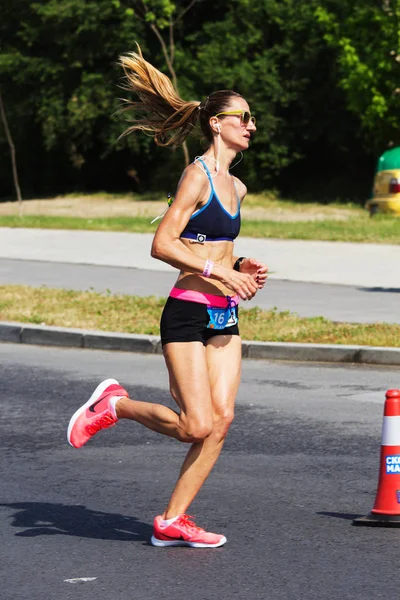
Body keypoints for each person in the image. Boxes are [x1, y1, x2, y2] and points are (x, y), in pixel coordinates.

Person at [67, 44, 268, 549]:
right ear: (217, 124)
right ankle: (116, 404)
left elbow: (220, 250)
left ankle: (172, 519)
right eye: (243, 118)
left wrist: (240, 269)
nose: (252, 126)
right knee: (194, 424)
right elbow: (162, 243)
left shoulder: (237, 186)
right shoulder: (196, 175)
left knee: (221, 422)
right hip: (186, 313)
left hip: (224, 315)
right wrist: (217, 273)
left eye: (253, 119)